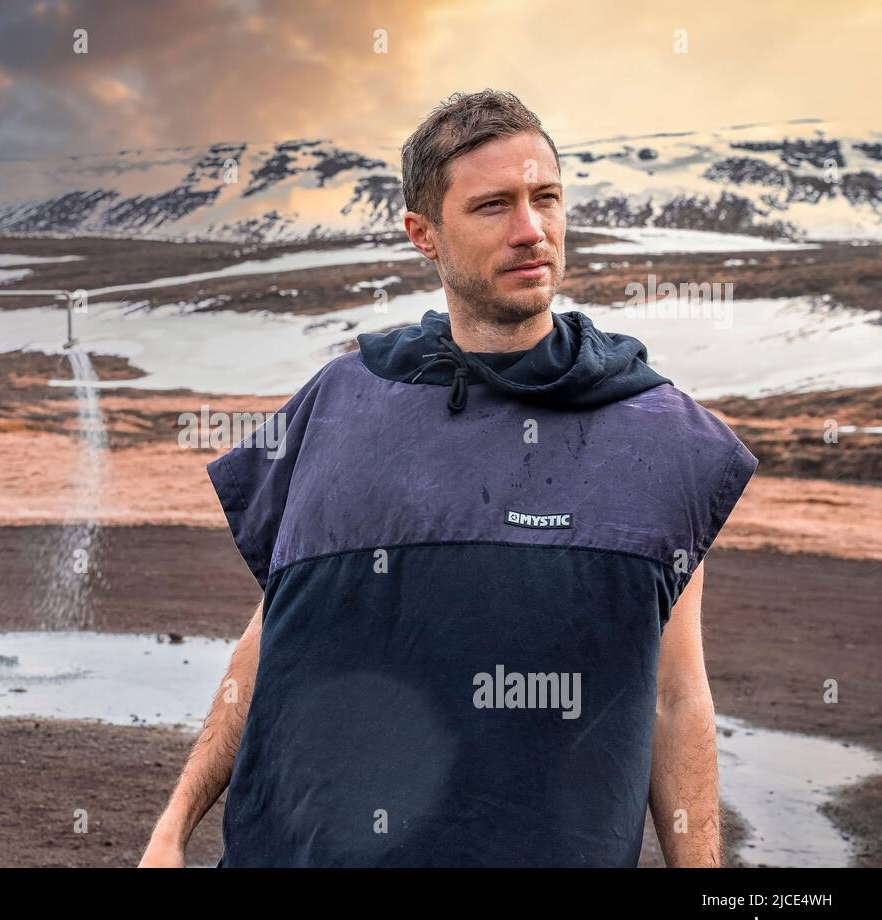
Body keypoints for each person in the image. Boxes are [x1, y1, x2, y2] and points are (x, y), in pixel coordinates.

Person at [139, 89, 757, 868]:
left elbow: (675, 694)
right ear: (423, 236)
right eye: (493, 205)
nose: (531, 231)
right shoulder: (339, 404)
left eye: (547, 199)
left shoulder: (659, 436)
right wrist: (175, 823)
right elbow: (274, 630)